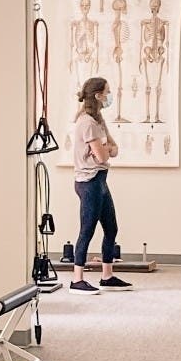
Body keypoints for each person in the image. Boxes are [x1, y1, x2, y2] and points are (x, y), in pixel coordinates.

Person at [69, 77, 133, 294]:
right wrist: (107, 150)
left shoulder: (98, 120)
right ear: (98, 95)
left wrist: (107, 150)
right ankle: (77, 280)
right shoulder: (86, 122)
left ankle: (107, 276)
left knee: (111, 228)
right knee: (87, 230)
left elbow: (113, 148)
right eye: (107, 92)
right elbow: (104, 155)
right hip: (89, 182)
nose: (109, 96)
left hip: (101, 180)